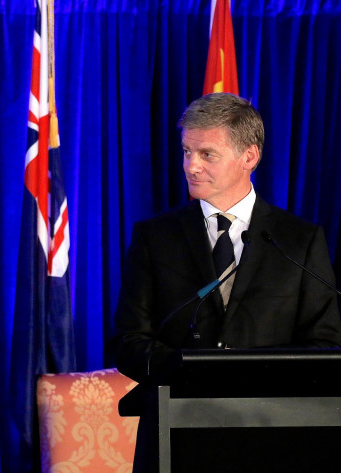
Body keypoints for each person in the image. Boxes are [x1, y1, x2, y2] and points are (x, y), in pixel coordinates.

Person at [114, 93, 341, 473]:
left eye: (207, 154)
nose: (191, 165)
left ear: (249, 157)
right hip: (177, 437)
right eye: (187, 152)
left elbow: (326, 342)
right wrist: (187, 370)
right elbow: (127, 339)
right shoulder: (154, 237)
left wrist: (252, 375)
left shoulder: (299, 240)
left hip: (276, 438)